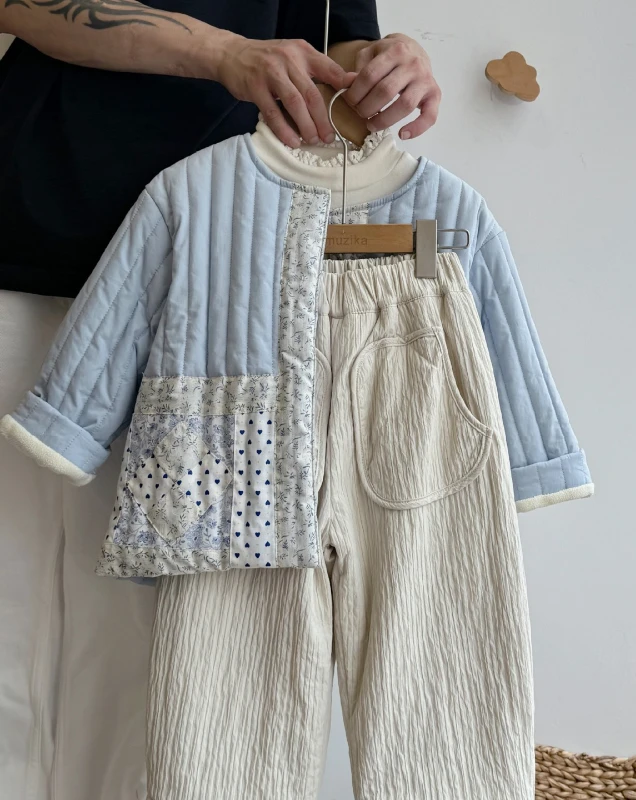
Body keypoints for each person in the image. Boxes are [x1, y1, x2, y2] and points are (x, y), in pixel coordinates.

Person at [0, 3, 440, 798]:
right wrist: (221, 53)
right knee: (14, 602)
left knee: (151, 630)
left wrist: (386, 65)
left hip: (217, 288)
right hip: (36, 248)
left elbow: (332, 39)